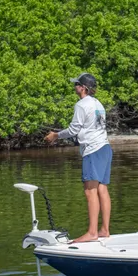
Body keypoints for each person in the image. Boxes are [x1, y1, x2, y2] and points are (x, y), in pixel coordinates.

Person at [45, 73, 112, 243]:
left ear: (83, 88)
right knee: (102, 190)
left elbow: (74, 130)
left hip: (93, 150)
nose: (74, 87)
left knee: (90, 191)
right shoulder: (98, 104)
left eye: (76, 84)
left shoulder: (81, 105)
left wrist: (55, 135)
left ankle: (92, 232)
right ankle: (104, 230)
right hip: (105, 148)